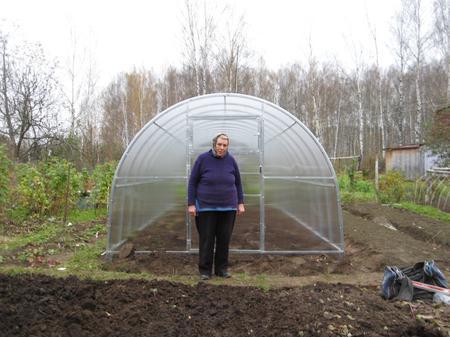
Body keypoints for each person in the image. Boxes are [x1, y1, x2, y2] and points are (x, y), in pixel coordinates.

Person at [188, 133, 245, 280]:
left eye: (225, 145)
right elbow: (193, 182)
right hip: (206, 207)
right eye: (219, 144)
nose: (221, 148)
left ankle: (221, 269)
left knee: (223, 240)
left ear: (227, 146)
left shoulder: (231, 160)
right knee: (207, 239)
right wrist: (191, 204)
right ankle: (205, 271)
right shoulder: (202, 159)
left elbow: (237, 182)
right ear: (214, 144)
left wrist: (240, 203)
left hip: (228, 208)